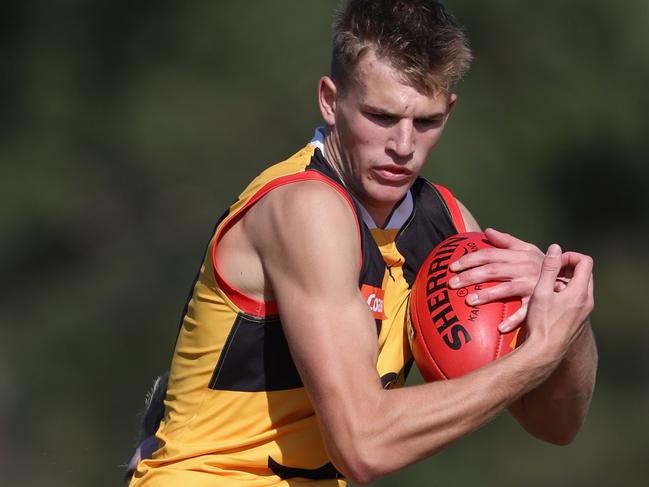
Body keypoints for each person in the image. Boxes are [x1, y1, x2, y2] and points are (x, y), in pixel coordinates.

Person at [127, 1, 597, 485]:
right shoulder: (305, 207)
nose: (403, 146)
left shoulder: (448, 226)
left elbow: (556, 425)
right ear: (330, 100)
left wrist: (568, 321)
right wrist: (536, 356)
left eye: (427, 122)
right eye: (380, 116)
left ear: (449, 110)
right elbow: (364, 446)